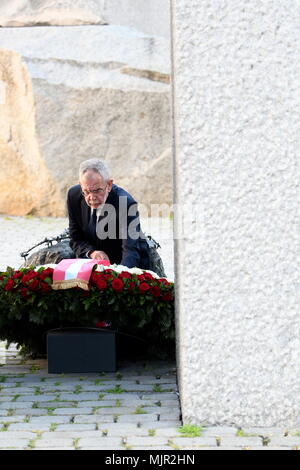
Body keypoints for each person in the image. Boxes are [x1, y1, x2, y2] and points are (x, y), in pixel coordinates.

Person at [67, 158, 150, 269]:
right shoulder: (73, 196)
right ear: (81, 185)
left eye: (97, 190)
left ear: (109, 185)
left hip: (123, 261)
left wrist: (119, 275)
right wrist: (92, 252)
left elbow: (130, 250)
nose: (91, 197)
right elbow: (75, 238)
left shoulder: (125, 203)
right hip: (92, 261)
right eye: (86, 191)